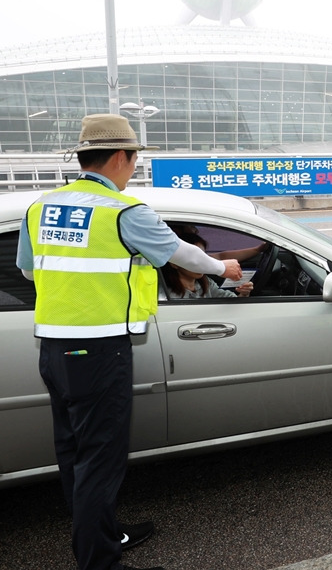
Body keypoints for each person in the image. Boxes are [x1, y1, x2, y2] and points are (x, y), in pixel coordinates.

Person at [16, 114, 243, 570]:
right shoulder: (122, 211)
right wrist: (225, 269)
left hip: (54, 350)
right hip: (99, 350)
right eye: (135, 158)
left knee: (74, 453)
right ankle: (100, 563)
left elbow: (27, 269)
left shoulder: (41, 206)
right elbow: (181, 253)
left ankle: (102, 535)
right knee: (100, 459)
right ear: (120, 156)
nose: (134, 166)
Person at [162, 228, 254, 299]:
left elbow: (230, 301)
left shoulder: (205, 283)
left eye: (204, 257)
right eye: (196, 258)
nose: (202, 262)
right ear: (174, 263)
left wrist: (243, 294)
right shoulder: (165, 293)